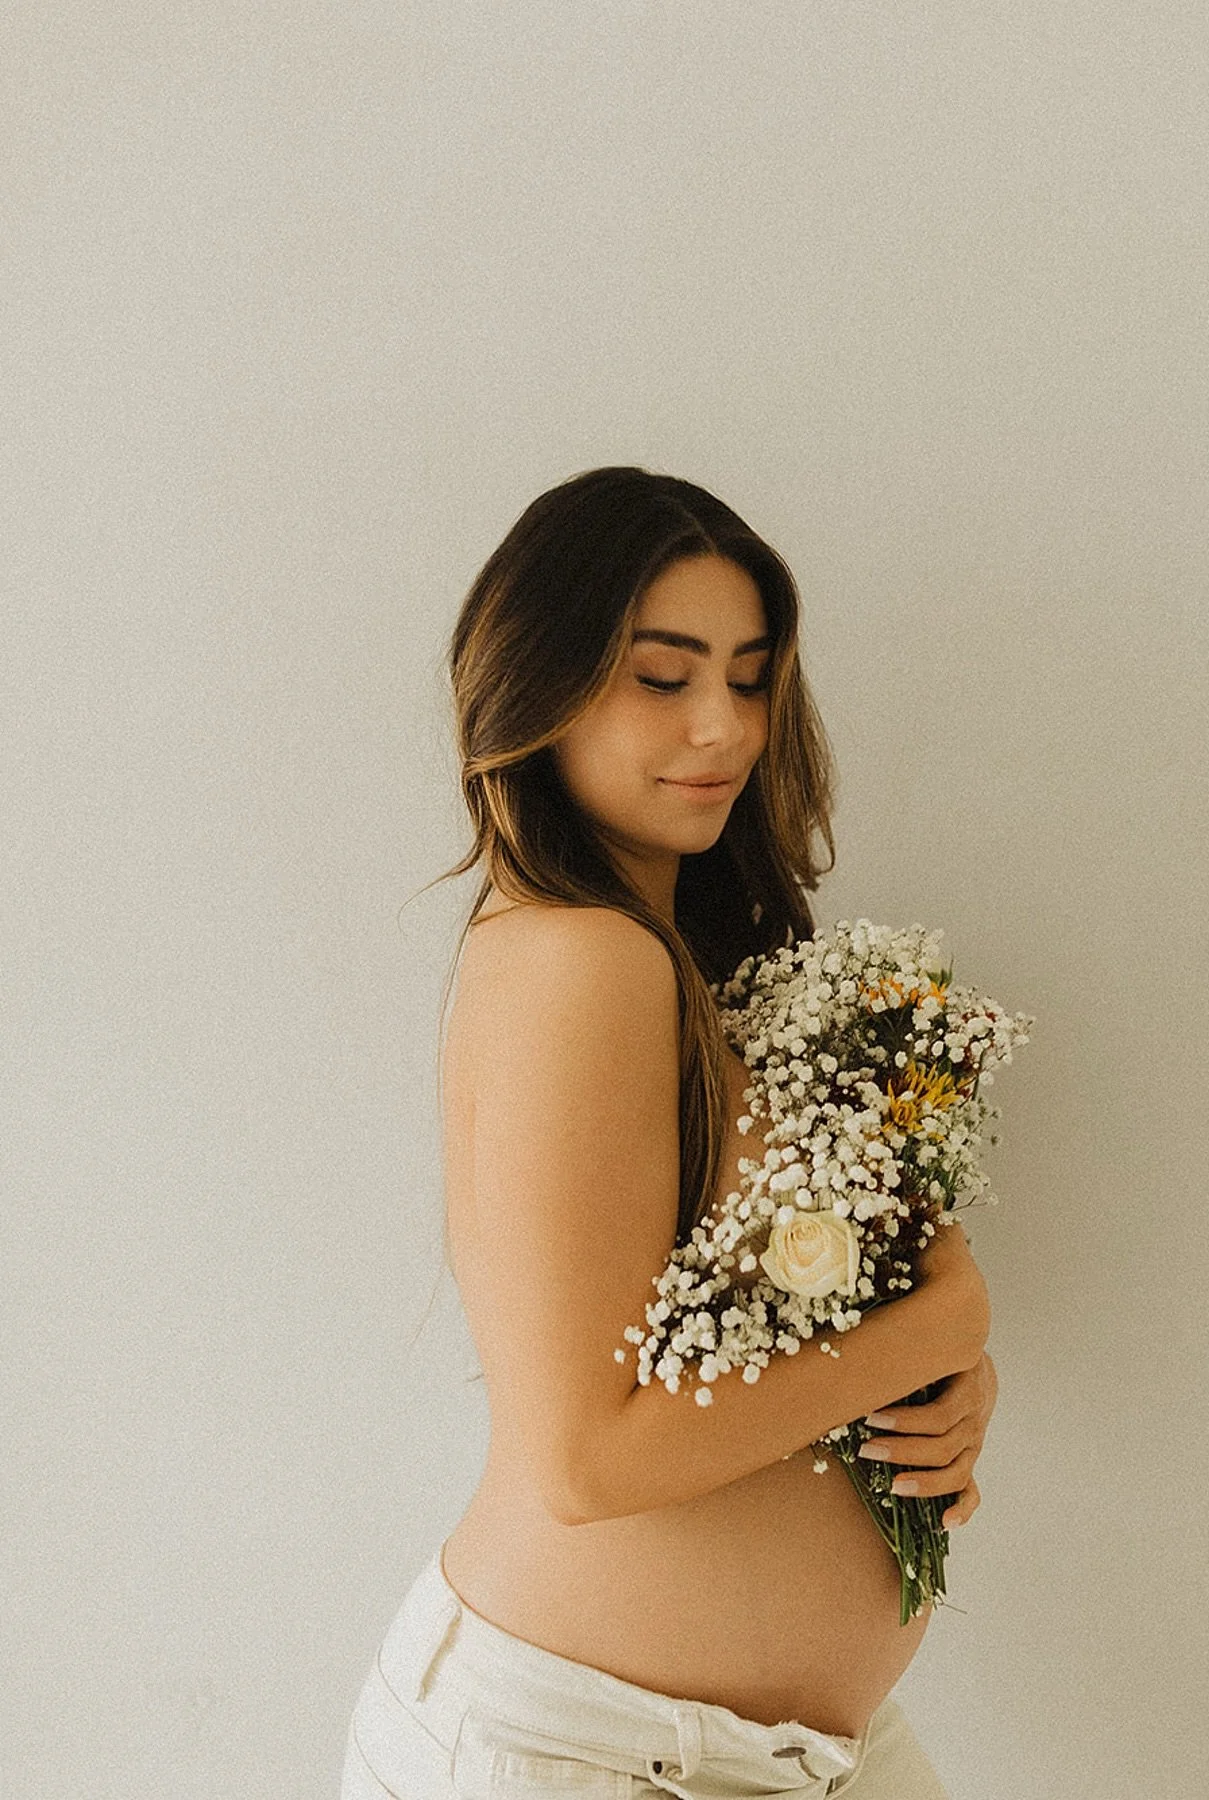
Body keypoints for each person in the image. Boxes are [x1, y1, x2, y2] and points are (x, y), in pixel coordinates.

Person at [342, 467, 998, 1799]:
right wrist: (940, 1325)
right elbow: (584, 1461)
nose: (723, 727)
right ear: (538, 685)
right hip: (582, 1751)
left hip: (785, 1755)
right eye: (661, 676)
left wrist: (935, 1397)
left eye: (750, 679)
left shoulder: (696, 963)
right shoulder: (582, 960)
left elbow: (765, 1336)